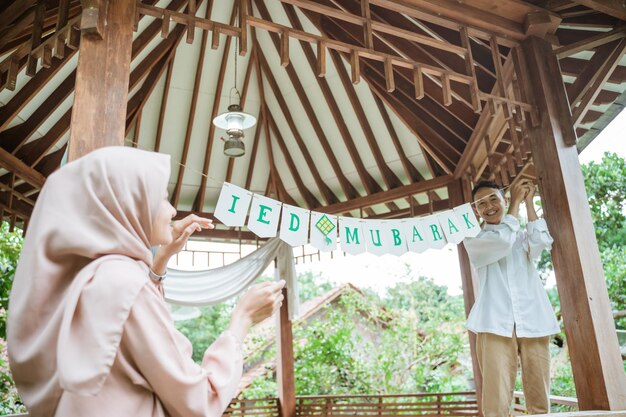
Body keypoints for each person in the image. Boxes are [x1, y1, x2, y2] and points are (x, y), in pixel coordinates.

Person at [7, 146, 285, 417]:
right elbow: (200, 401)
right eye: (162, 198)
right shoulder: (126, 282)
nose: (173, 210)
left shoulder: (90, 277)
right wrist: (242, 319)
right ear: (129, 203)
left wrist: (160, 260)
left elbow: (124, 332)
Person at [463, 179, 559, 417]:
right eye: (481, 203)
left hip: (533, 319)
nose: (489, 206)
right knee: (496, 400)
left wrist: (528, 202)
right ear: (476, 210)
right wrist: (515, 203)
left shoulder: (519, 233)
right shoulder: (474, 239)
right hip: (493, 323)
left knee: (539, 396)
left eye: (494, 199)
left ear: (503, 200)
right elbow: (503, 240)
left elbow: (542, 242)